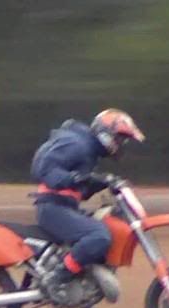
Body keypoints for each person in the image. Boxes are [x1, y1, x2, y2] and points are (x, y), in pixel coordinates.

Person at [30, 108, 145, 295]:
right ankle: (57, 277)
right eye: (119, 138)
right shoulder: (77, 144)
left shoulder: (88, 151)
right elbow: (44, 169)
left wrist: (104, 182)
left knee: (106, 226)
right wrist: (80, 178)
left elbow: (81, 190)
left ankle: (83, 278)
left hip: (64, 206)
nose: (120, 144)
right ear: (105, 133)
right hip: (53, 207)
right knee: (98, 236)